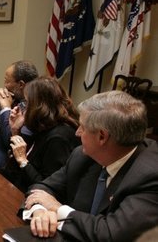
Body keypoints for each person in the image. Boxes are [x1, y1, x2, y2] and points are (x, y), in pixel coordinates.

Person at [21, 91, 158, 241]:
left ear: (102, 136)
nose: (77, 133)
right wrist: (40, 211)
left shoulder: (150, 176)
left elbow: (111, 234)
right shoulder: (83, 155)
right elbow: (42, 189)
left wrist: (58, 210)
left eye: (82, 127)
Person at [2, 76, 80, 192]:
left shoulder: (58, 137)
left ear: (39, 106)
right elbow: (11, 172)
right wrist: (15, 130)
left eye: (27, 103)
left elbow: (47, 187)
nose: (24, 108)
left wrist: (23, 161)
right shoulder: (43, 126)